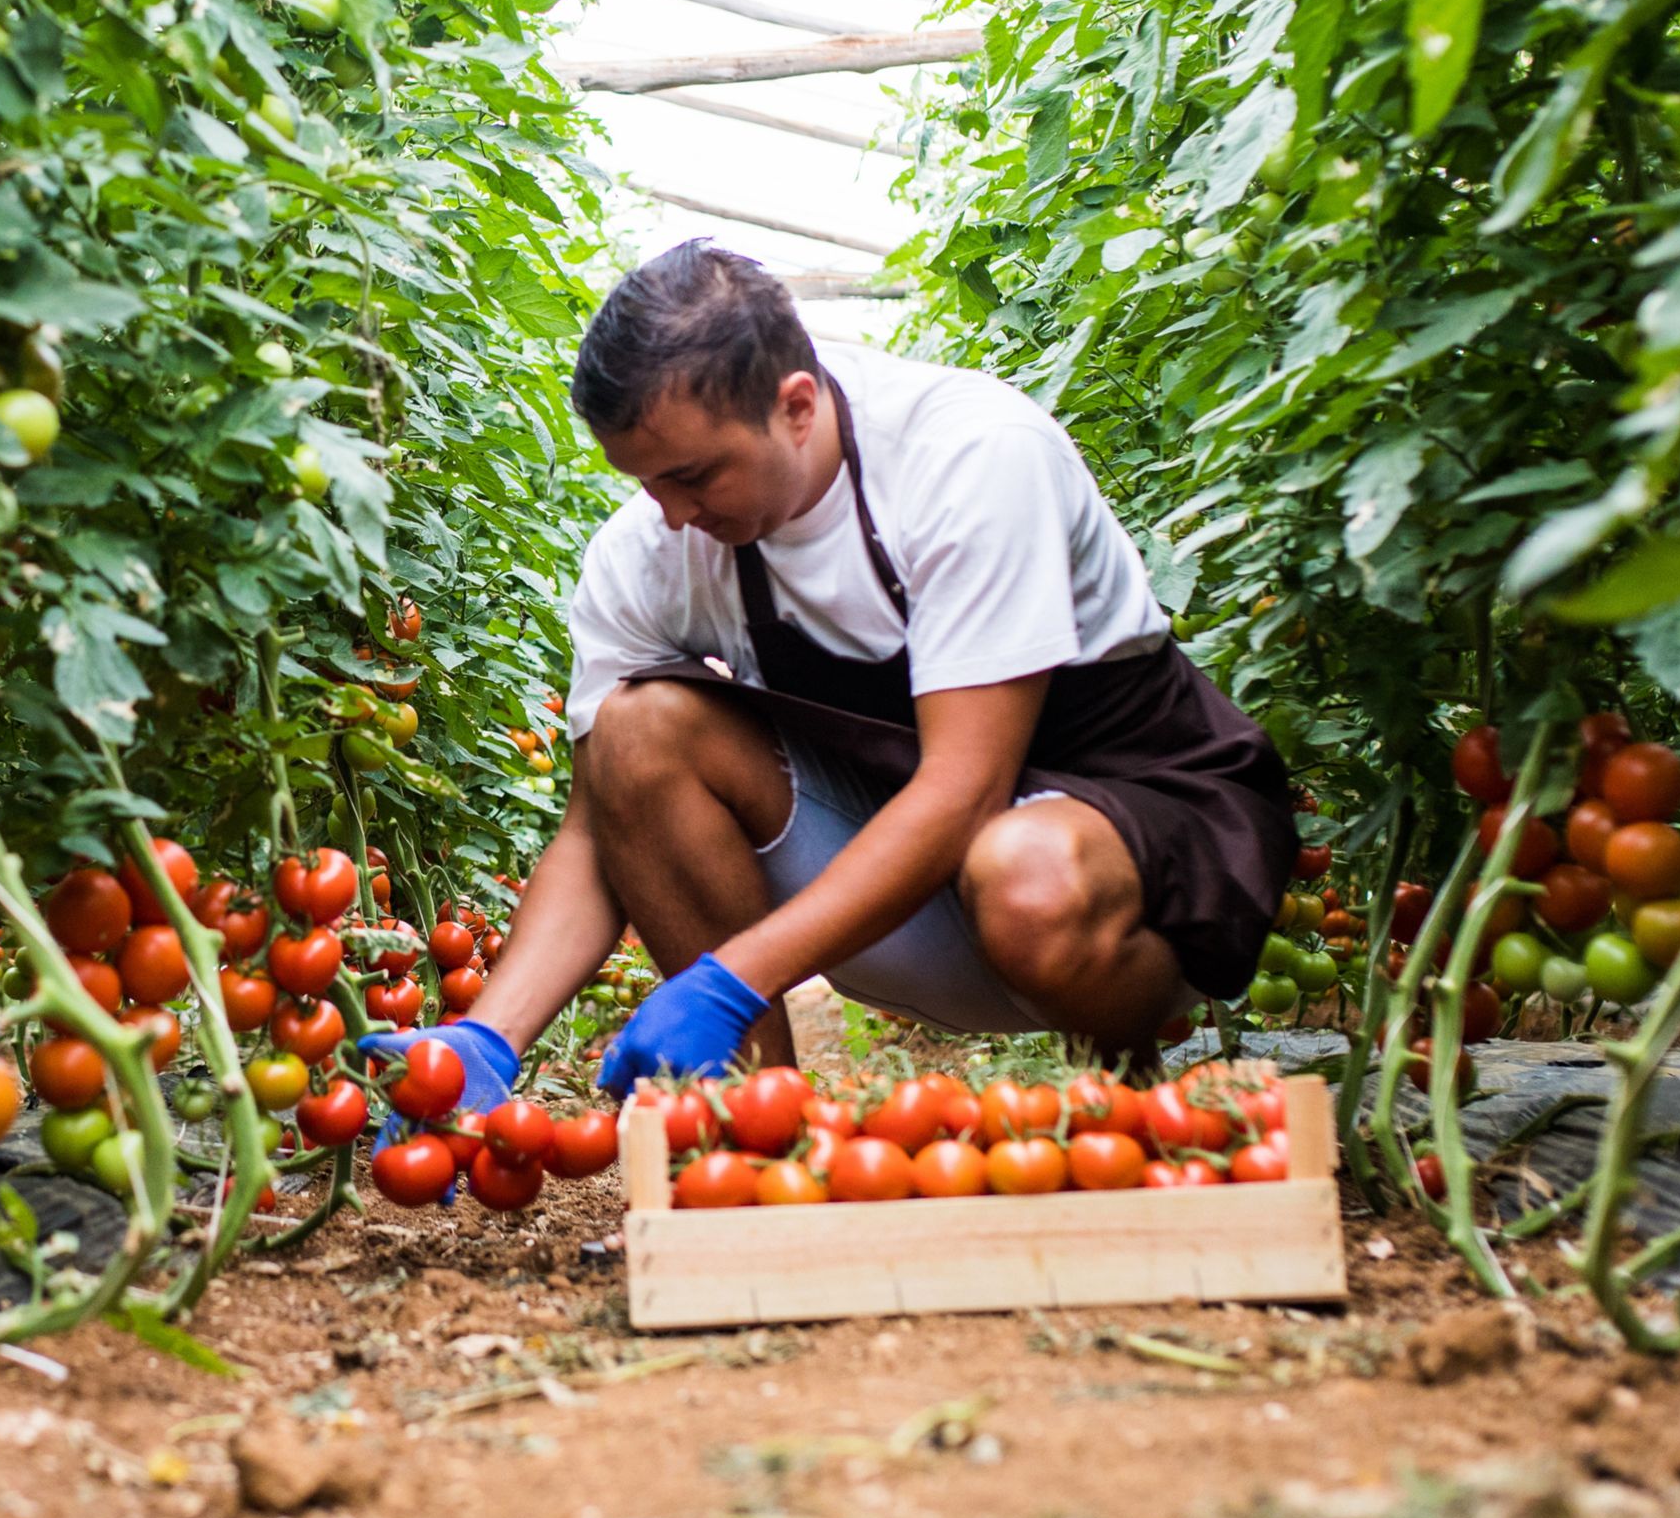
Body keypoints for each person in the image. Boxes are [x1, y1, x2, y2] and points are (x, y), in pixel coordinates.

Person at [361, 242, 1293, 1116]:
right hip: (911, 872)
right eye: (644, 482)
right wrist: (487, 1037)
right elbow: (597, 823)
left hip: (1144, 864)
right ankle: (757, 1129)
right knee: (635, 732)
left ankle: (1125, 1095)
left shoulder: (967, 458)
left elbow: (968, 793)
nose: (671, 514)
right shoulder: (655, 546)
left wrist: (731, 977)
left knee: (1024, 873)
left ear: (796, 405)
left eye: (693, 476)